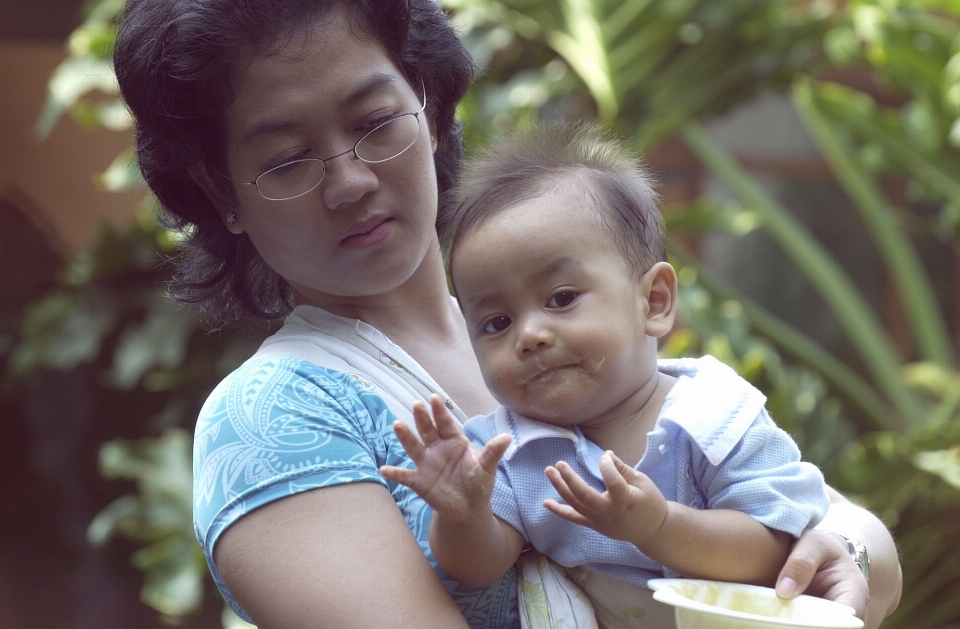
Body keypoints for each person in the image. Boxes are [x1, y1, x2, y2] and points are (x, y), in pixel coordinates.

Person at [110, 0, 902, 627]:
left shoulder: (560, 331)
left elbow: (842, 532)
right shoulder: (273, 419)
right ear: (221, 193)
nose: (349, 181)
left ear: (424, 97)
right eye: (285, 159)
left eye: (375, 120)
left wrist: (841, 559)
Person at [380, 121, 832, 623]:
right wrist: (462, 515)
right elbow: (481, 566)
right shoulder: (511, 451)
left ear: (653, 302)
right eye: (497, 322)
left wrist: (657, 525)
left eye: (562, 298)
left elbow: (774, 548)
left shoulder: (717, 418)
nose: (529, 335)